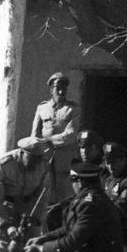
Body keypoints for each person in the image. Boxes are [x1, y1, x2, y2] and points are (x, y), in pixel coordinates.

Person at [31, 71, 78, 199]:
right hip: (44, 156)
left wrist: (48, 140)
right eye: (58, 89)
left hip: (64, 158)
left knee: (64, 192)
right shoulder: (42, 108)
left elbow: (71, 134)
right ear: (51, 90)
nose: (61, 92)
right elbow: (34, 135)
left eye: (64, 89)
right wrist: (35, 153)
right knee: (43, 190)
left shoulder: (72, 109)